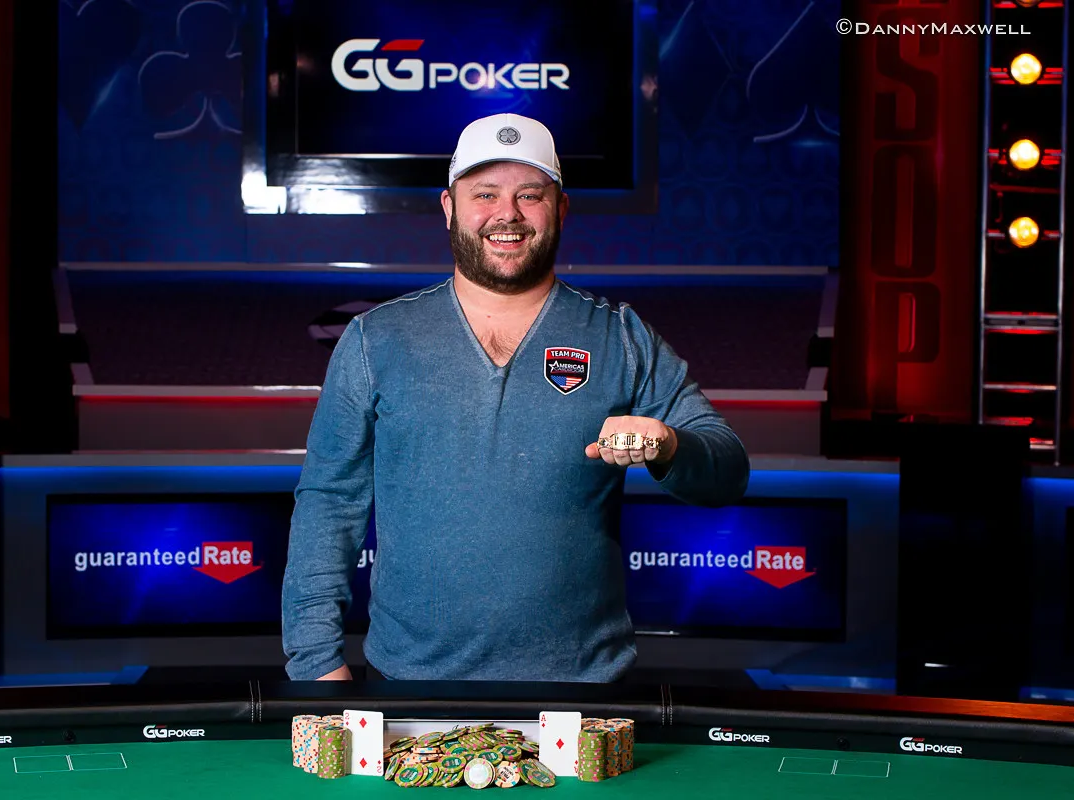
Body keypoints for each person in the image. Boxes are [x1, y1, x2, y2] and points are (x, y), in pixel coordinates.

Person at [281, 113, 750, 682]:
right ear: (450, 207)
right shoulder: (375, 339)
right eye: (485, 194)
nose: (507, 214)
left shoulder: (621, 337)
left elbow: (728, 471)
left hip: (584, 694)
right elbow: (329, 503)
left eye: (530, 194)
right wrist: (316, 662)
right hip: (410, 687)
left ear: (561, 208)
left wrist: (670, 445)